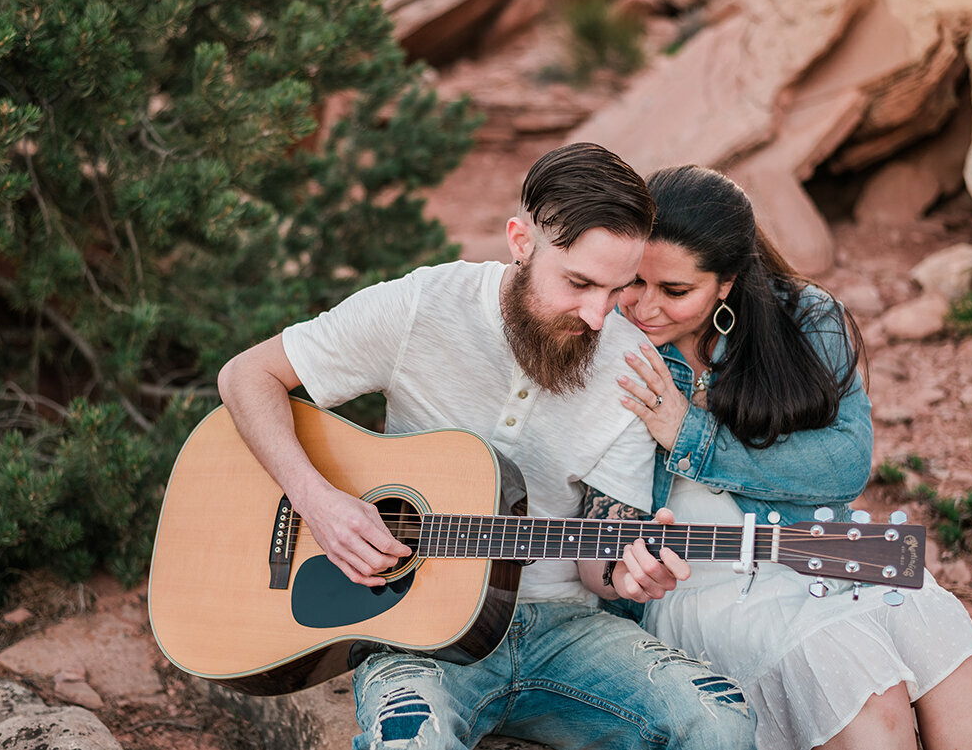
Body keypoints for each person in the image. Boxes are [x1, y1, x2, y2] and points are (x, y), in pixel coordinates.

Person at [217, 144, 756, 750]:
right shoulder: (423, 307)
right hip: (413, 631)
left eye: (617, 289)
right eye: (578, 283)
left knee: (721, 722)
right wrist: (316, 501)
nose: (599, 315)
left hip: (562, 629)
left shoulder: (631, 365)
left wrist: (629, 575)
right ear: (521, 242)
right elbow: (246, 377)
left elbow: (600, 560)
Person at [594, 163, 972, 750]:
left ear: (726, 282)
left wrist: (693, 436)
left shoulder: (803, 317)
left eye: (675, 291)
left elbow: (845, 463)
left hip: (827, 547)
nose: (644, 308)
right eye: (634, 283)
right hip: (707, 583)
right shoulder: (611, 344)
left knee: (949, 649)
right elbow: (598, 500)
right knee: (861, 688)